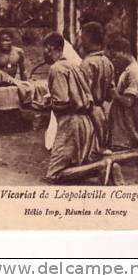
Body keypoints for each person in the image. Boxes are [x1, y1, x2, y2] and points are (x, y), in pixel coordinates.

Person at [42, 32, 100, 183]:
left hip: (71, 123)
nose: (44, 53)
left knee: (52, 176)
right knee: (76, 162)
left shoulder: (57, 68)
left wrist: (45, 105)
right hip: (85, 121)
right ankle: (97, 168)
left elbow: (62, 102)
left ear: (51, 48)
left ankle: (101, 168)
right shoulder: (73, 66)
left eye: (45, 49)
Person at [107, 37, 138, 161]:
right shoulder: (127, 70)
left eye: (115, 56)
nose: (114, 60)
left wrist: (114, 94)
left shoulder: (134, 71)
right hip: (125, 129)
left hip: (131, 130)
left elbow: (129, 101)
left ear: (124, 51)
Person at [79, 22, 115, 149]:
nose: (81, 39)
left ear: (89, 37)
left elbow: (83, 94)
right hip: (102, 111)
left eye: (82, 35)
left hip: (89, 113)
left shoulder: (87, 64)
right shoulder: (107, 62)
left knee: (89, 150)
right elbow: (111, 94)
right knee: (101, 145)